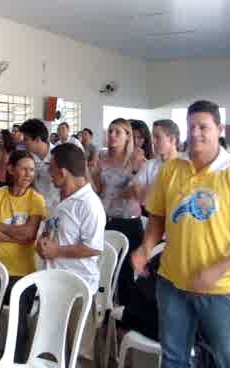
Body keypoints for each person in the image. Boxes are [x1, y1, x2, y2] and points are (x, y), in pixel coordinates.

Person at [132, 100, 230, 368]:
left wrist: (215, 271)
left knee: (227, 358)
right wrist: (146, 247)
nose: (196, 133)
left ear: (220, 129)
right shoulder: (172, 169)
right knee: (173, 357)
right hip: (172, 283)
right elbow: (158, 217)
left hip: (221, 288)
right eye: (192, 127)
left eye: (203, 127)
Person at [37, 143, 105, 360]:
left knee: (78, 353)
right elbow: (52, 229)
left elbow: (93, 248)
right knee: (50, 349)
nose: (49, 175)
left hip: (78, 286)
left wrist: (57, 250)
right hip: (53, 280)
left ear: (63, 172)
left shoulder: (89, 204)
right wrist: (44, 242)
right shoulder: (59, 197)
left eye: (51, 169)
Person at [0, 150, 47, 363]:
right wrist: (17, 234)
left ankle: (15, 362)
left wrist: (1, 227)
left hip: (23, 273)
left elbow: (29, 235)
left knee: (18, 324)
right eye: (24, 169)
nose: (28, 174)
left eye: (32, 170)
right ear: (10, 169)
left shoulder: (36, 200)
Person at [93, 118, 144, 304]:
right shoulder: (102, 157)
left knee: (125, 274)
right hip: (106, 218)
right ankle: (104, 308)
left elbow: (140, 194)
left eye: (118, 132)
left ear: (127, 136)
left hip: (129, 220)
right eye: (110, 131)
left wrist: (135, 173)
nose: (112, 135)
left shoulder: (136, 159)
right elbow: (98, 189)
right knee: (105, 268)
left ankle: (124, 311)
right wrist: (89, 171)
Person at [129, 120, 180, 207]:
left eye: (157, 137)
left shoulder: (187, 164)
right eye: (153, 137)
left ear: (172, 140)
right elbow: (133, 190)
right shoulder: (149, 165)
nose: (152, 141)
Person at [20, 119, 60, 217]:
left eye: (26, 139)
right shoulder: (27, 157)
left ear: (37, 139)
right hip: (35, 208)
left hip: (56, 210)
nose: (23, 142)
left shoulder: (59, 155)